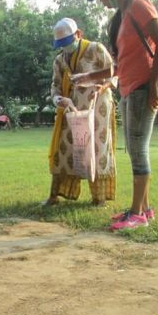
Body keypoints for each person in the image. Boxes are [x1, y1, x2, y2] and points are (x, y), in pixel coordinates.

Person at [88, 0, 158, 230]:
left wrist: (153, 85)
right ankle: (143, 210)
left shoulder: (139, 6)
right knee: (135, 149)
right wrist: (86, 77)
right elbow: (119, 65)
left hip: (143, 88)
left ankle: (137, 214)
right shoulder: (121, 18)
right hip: (130, 89)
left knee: (137, 149)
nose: (102, 2)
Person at [44, 18, 116, 207]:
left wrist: (101, 87)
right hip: (71, 111)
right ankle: (55, 195)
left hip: (97, 109)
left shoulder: (95, 49)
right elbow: (56, 86)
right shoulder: (60, 60)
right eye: (61, 45)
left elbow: (114, 73)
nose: (65, 47)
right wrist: (57, 99)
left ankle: (98, 199)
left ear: (78, 34)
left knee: (97, 150)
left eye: (68, 42)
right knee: (64, 149)